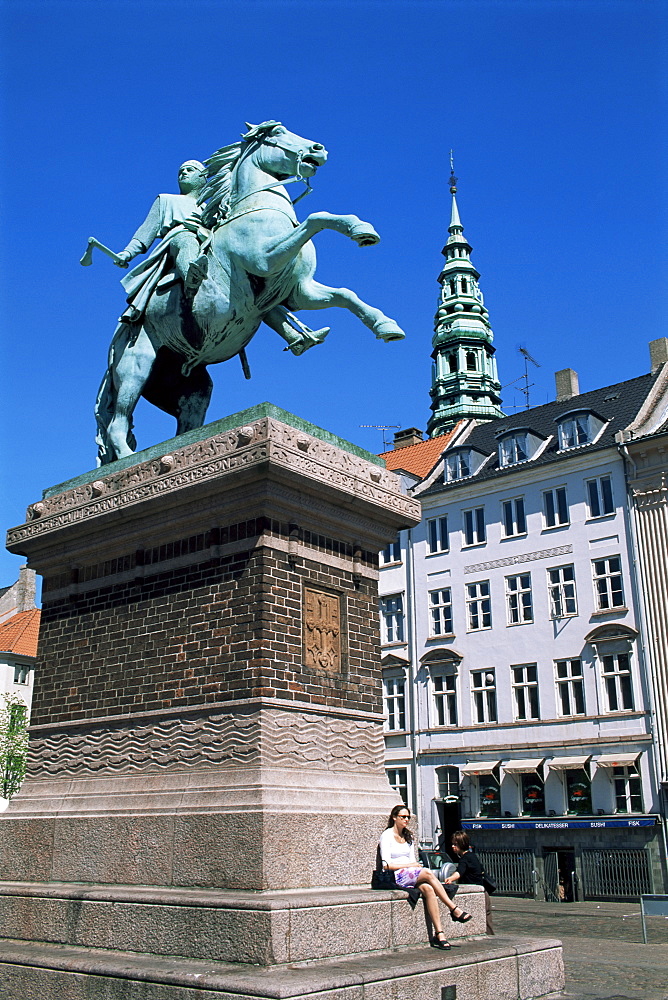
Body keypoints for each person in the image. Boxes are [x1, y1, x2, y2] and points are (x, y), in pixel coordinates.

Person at [379, 805, 472, 950]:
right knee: (428, 872)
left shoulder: (408, 837)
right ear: (394, 818)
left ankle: (439, 934)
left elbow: (413, 861)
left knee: (428, 889)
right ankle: (453, 908)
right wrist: (410, 864)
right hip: (396, 875)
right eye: (403, 817)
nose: (406, 820)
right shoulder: (387, 835)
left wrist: (413, 866)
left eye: (408, 817)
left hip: (411, 874)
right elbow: (386, 865)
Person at [444, 830, 494, 935]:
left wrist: (450, 879)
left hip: (477, 893)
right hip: (484, 892)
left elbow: (460, 872)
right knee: (487, 919)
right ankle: (490, 936)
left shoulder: (465, 859)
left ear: (462, 844)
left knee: (479, 920)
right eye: (452, 844)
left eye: (455, 844)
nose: (453, 846)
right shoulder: (473, 856)